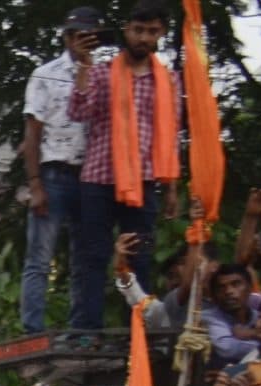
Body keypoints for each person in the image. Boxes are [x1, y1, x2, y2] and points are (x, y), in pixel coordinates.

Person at [65, 3, 178, 331]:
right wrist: (84, 66)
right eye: (138, 30)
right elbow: (78, 112)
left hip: (143, 181)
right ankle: (88, 332)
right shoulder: (101, 71)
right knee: (93, 258)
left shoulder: (167, 80)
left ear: (161, 34)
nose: (144, 37)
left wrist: (171, 188)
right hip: (99, 179)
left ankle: (139, 332)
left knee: (140, 258)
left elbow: (170, 136)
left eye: (152, 31)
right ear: (126, 30)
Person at [22, 9, 102, 330]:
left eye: (89, 34)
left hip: (92, 177)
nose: (82, 41)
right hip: (54, 173)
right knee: (40, 258)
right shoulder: (46, 74)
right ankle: (33, 330)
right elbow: (32, 132)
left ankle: (81, 330)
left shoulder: (105, 74)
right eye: (77, 34)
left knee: (86, 259)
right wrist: (35, 183)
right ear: (67, 37)